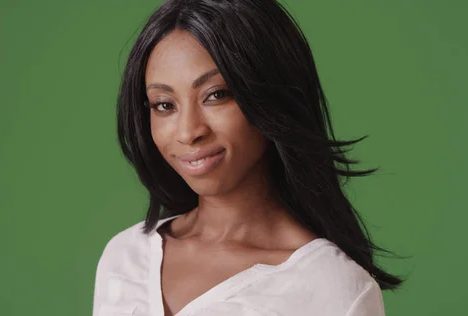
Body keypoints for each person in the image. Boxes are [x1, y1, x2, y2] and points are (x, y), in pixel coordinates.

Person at [92, 0, 403, 315]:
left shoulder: (334, 289)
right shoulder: (125, 256)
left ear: (272, 96)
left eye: (216, 95)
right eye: (164, 104)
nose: (188, 132)